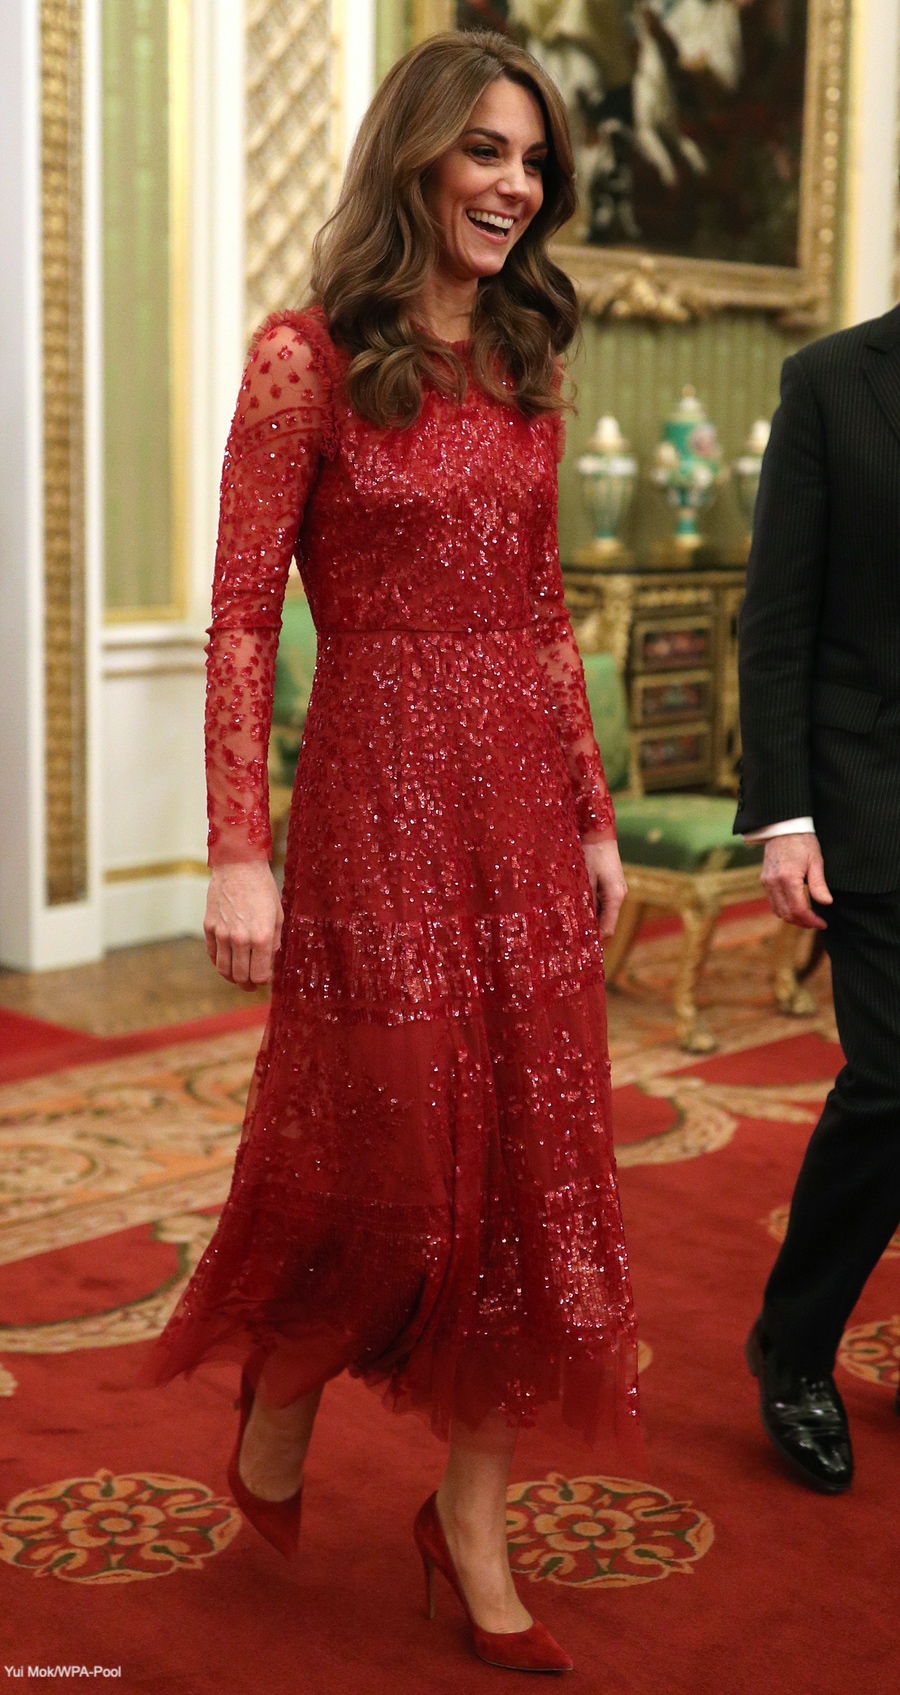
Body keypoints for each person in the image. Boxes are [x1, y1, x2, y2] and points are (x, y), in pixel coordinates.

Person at [147, 30, 638, 1672]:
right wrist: (236, 846)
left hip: (515, 803)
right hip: (370, 802)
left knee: (529, 1174)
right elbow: (232, 619)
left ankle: (473, 1519)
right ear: (419, 156)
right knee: (388, 1161)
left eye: (534, 161)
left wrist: (590, 811)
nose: (517, 185)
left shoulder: (528, 356)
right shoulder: (305, 355)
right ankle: (280, 1385)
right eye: (488, 152)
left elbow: (546, 608)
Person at [735, 303, 900, 1494]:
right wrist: (784, 814)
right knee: (893, 1084)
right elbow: (778, 617)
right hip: (868, 797)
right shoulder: (832, 381)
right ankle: (795, 1348)